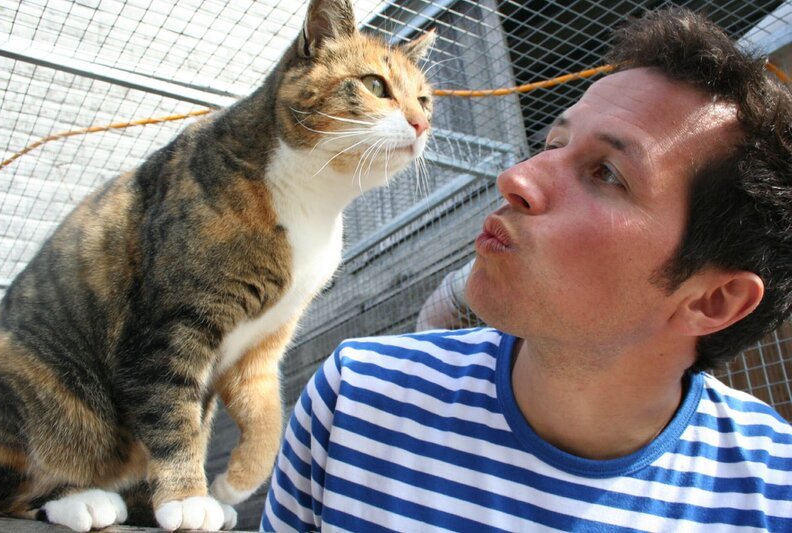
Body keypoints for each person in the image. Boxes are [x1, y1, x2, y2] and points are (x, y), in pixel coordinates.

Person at [260, 7, 792, 532]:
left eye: (606, 173)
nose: (515, 177)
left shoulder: (773, 495)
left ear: (713, 301)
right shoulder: (356, 399)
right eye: (552, 144)